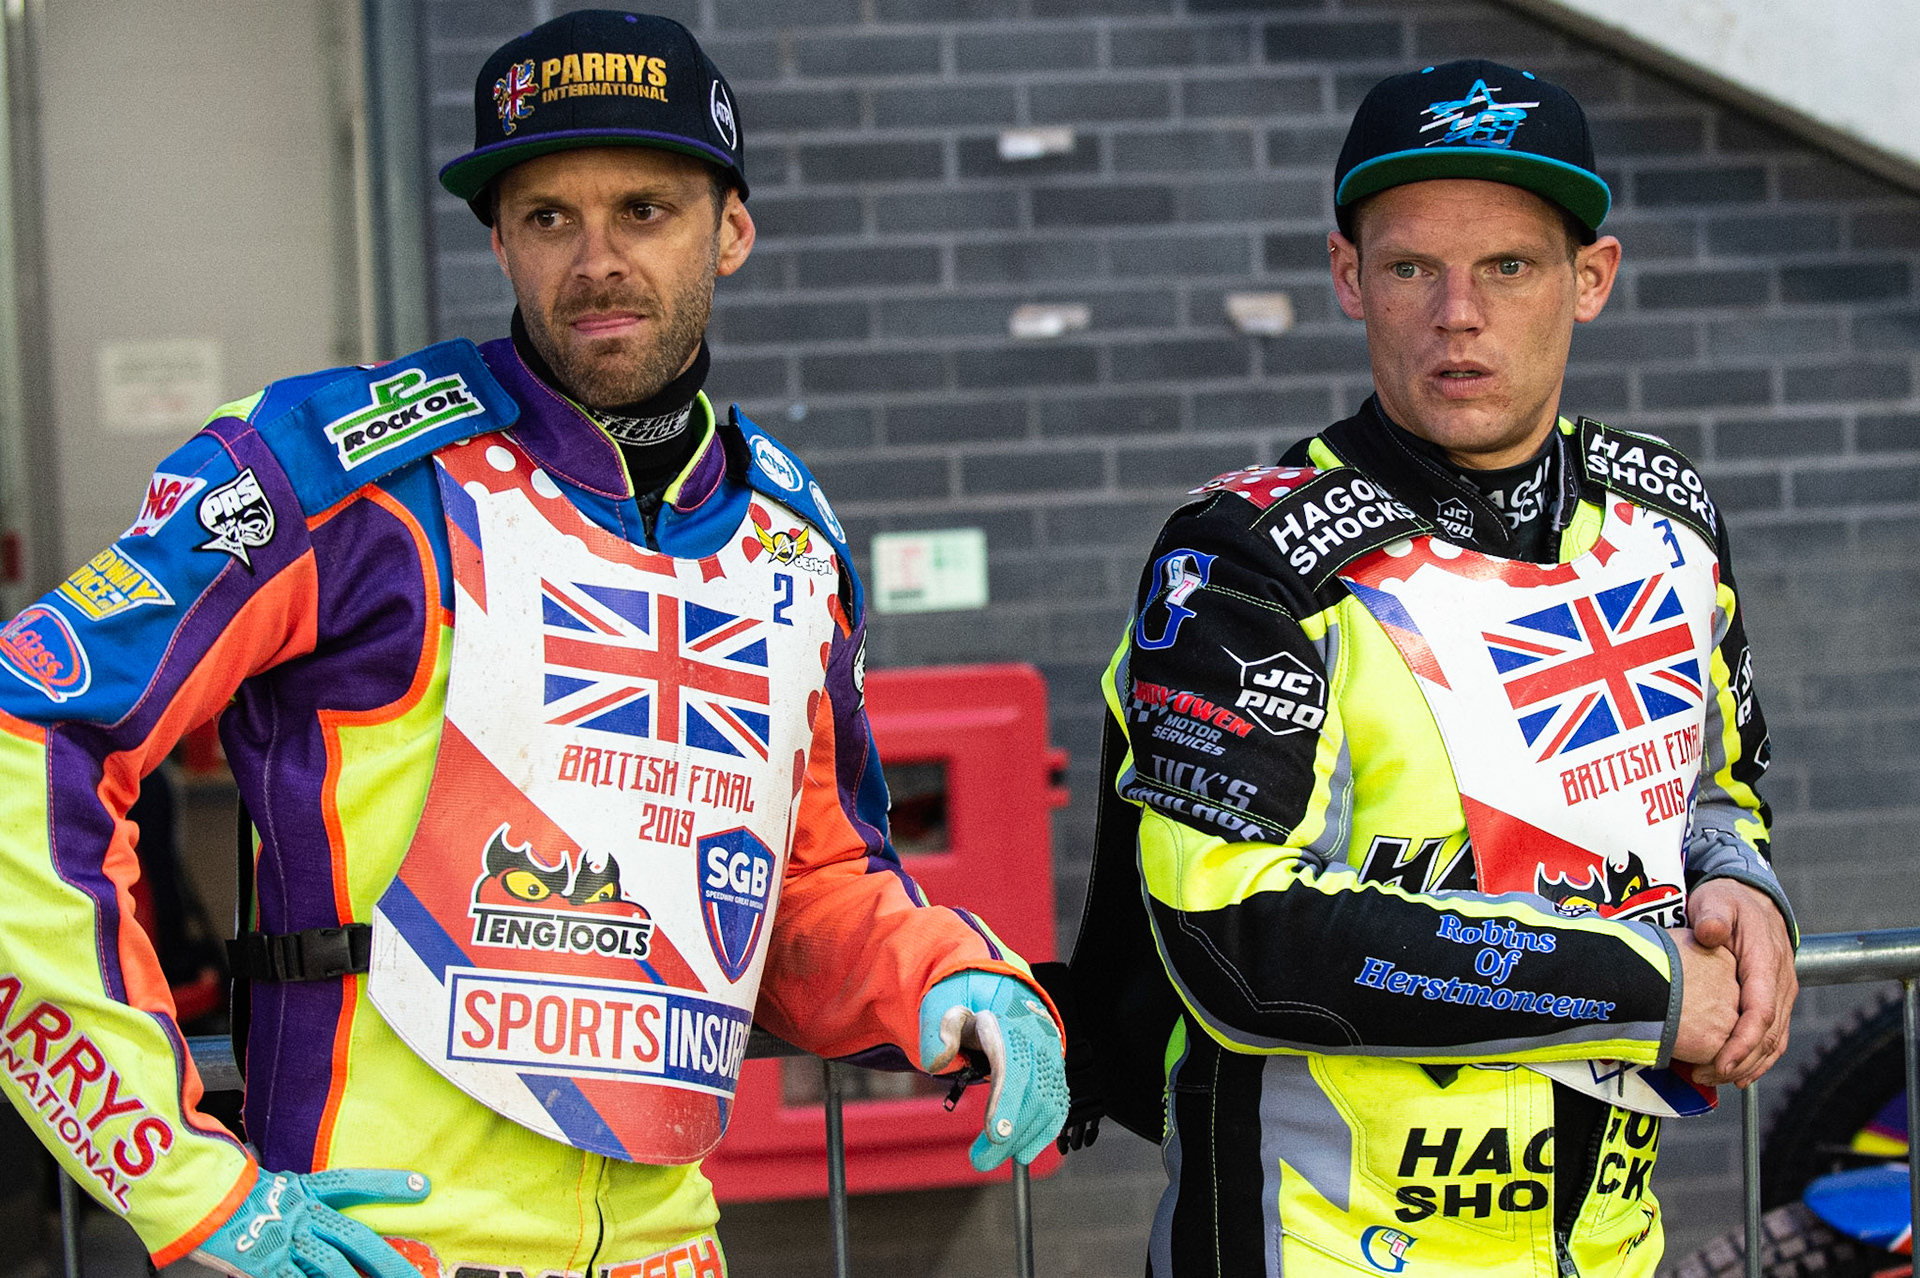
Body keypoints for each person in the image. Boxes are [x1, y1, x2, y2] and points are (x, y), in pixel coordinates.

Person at [0, 11, 1066, 1277]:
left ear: (732, 227)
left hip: (672, 1251)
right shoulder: (344, 471)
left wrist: (945, 974)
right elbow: (28, 725)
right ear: (499, 239)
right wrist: (174, 1172)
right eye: (549, 216)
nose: (596, 258)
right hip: (378, 1246)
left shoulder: (792, 534)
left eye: (645, 209)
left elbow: (803, 884)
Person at [1068, 60, 1794, 1277]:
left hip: (1610, 1249)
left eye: (1508, 266)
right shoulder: (1248, 555)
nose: (1459, 313)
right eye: (1413, 268)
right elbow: (1226, 926)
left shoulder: (1670, 520)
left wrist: (1745, 888)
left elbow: (1714, 790)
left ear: (1590, 280)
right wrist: (1642, 981)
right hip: (1317, 1252)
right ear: (1352, 279)